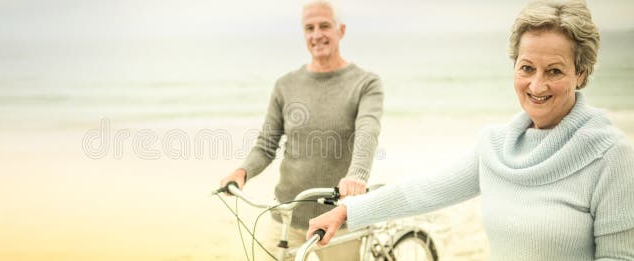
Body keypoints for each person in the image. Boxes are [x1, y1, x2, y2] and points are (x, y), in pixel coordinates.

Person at [306, 0, 634, 260]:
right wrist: (348, 211)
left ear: (581, 73)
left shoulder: (610, 155)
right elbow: (423, 190)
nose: (537, 85)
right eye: (527, 68)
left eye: (555, 71)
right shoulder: (496, 146)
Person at [219, 0, 383, 259]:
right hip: (287, 216)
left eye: (324, 26)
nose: (317, 35)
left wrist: (357, 176)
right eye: (309, 28)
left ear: (341, 30)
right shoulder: (285, 85)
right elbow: (266, 144)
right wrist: (242, 172)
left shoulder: (366, 83)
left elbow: (368, 131)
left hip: (339, 217)